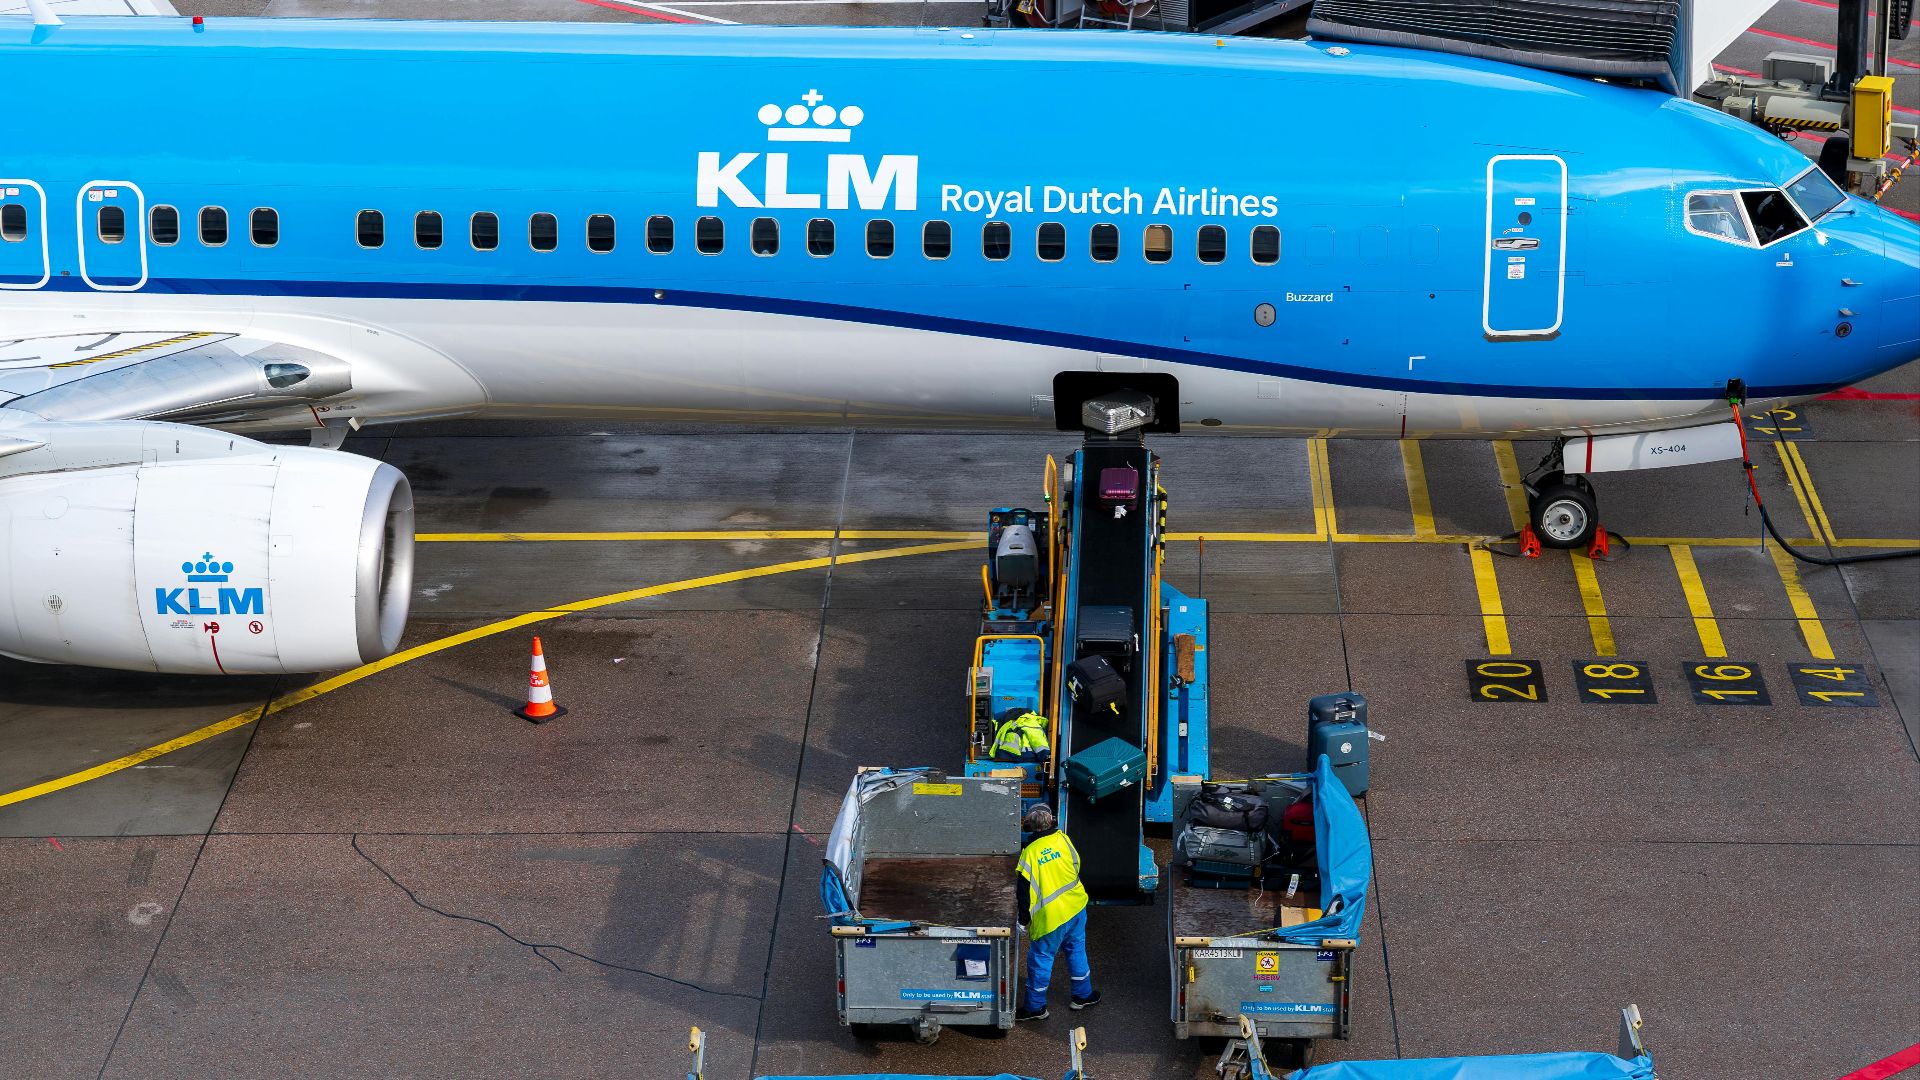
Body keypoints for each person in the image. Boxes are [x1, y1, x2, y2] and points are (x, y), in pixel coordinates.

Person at [1014, 804, 1099, 1021]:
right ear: (1051, 821)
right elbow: (1076, 864)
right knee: (1076, 950)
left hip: (1050, 919)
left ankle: (1035, 1008)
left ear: (1030, 825)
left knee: (1041, 960)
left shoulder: (1029, 854)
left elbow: (1023, 893)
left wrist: (1023, 921)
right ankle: (1083, 995)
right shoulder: (1063, 839)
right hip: (1076, 906)